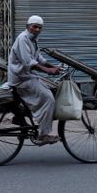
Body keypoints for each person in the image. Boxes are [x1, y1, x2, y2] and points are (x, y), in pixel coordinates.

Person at [8, 15, 62, 145]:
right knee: (48, 98)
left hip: (27, 76)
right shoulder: (23, 39)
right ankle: (43, 135)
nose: (37, 29)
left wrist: (53, 67)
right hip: (21, 78)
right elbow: (29, 62)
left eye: (40, 28)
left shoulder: (33, 40)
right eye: (35, 27)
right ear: (28, 26)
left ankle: (21, 117)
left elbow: (39, 58)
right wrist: (47, 71)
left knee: (49, 89)